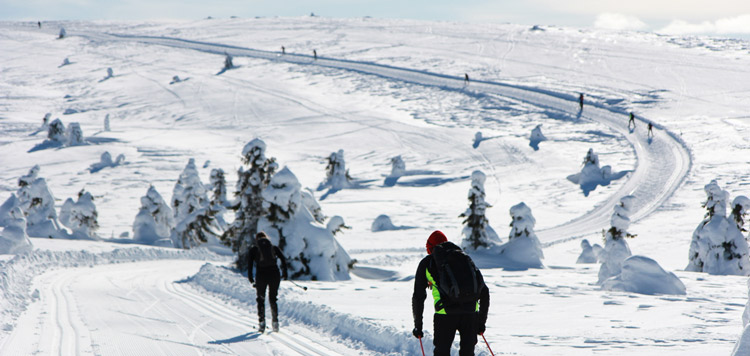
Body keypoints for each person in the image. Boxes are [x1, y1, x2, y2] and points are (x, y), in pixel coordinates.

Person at [412, 230, 490, 356]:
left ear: (430, 248)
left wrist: (418, 326)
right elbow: (484, 292)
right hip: (470, 313)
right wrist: (480, 323)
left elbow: (418, 297)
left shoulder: (427, 263)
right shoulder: (464, 258)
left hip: (445, 314)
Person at [248, 231, 288, 332]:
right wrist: (285, 273)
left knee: (261, 299)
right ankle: (275, 322)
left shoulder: (254, 249)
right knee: (273, 298)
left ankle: (262, 322)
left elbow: (249, 264)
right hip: (274, 274)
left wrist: (250, 278)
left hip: (261, 275)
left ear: (257, 239)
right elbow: (283, 259)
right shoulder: (273, 247)